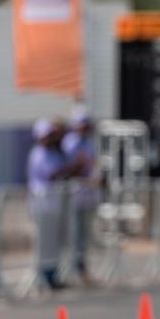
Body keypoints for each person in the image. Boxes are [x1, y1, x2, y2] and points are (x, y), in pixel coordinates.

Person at [28, 118, 85, 290]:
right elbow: (53, 174)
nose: (52, 138)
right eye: (49, 135)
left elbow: (64, 171)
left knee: (55, 242)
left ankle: (53, 275)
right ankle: (44, 276)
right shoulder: (38, 154)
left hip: (56, 204)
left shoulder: (55, 152)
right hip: (43, 205)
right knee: (44, 242)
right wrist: (73, 167)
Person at [62, 109, 99, 282]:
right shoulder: (70, 143)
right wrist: (80, 165)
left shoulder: (89, 143)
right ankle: (72, 269)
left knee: (84, 234)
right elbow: (69, 169)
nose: (85, 129)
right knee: (73, 234)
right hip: (74, 194)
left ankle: (82, 267)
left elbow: (92, 165)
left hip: (88, 194)